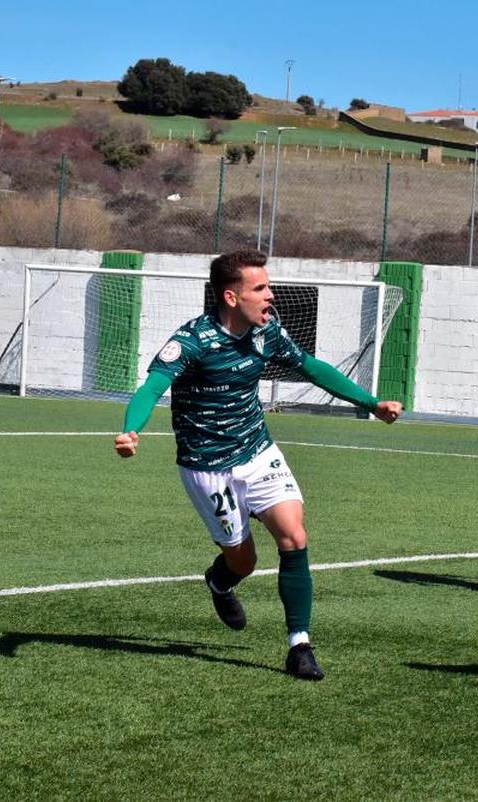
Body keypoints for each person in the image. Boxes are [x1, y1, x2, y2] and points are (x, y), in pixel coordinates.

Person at [114, 249, 403, 681]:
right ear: (231, 297)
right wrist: (130, 429)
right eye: (260, 288)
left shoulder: (268, 333)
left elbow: (312, 369)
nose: (270, 296)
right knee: (243, 561)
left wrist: (370, 402)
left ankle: (299, 645)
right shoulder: (192, 341)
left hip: (258, 451)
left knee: (294, 535)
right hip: (207, 467)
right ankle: (220, 581)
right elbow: (152, 387)